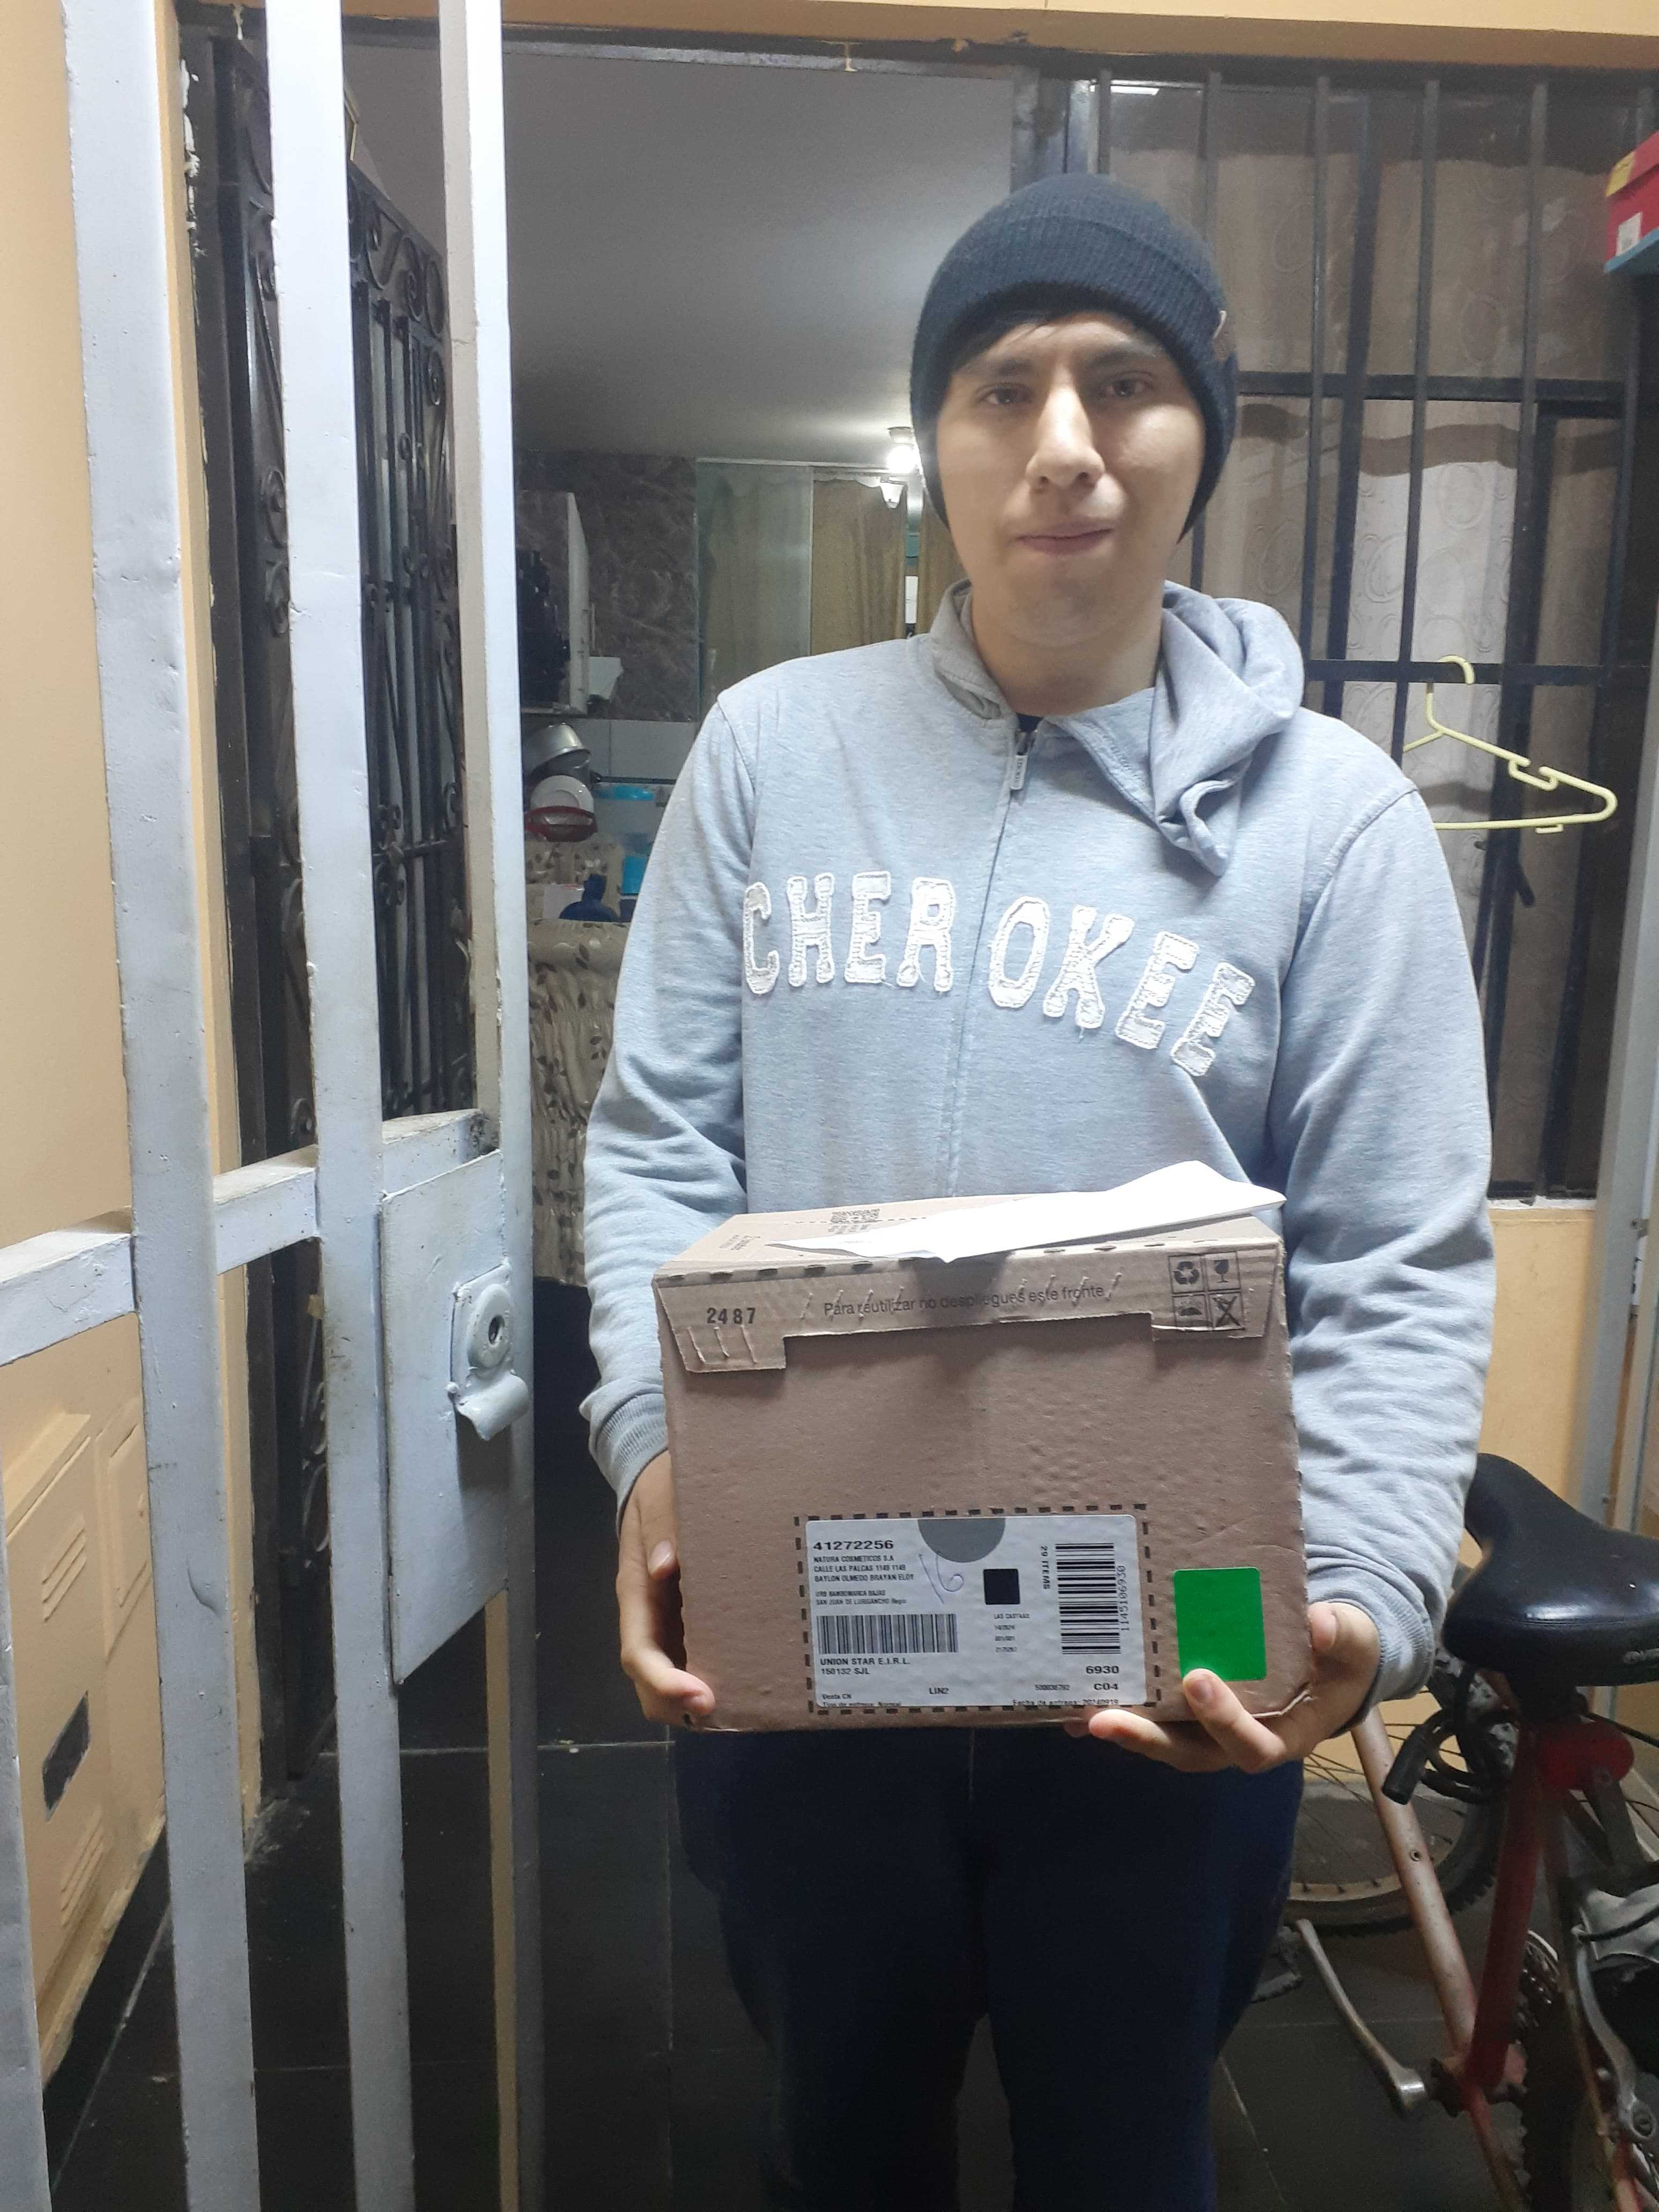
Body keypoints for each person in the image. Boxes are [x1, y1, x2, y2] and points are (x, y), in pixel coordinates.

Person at [580, 174, 1494, 2210]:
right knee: (840, 2137)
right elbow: (660, 1146)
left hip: (1185, 1644)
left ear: (1200, 441)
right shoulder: (768, 754)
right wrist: (653, 1450)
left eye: (1124, 383)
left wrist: (1360, 1590)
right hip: (810, 1625)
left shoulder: (1336, 825)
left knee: (1126, 2152)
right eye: (1003, 388)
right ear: (938, 439)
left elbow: (1398, 1255)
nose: (1064, 442)